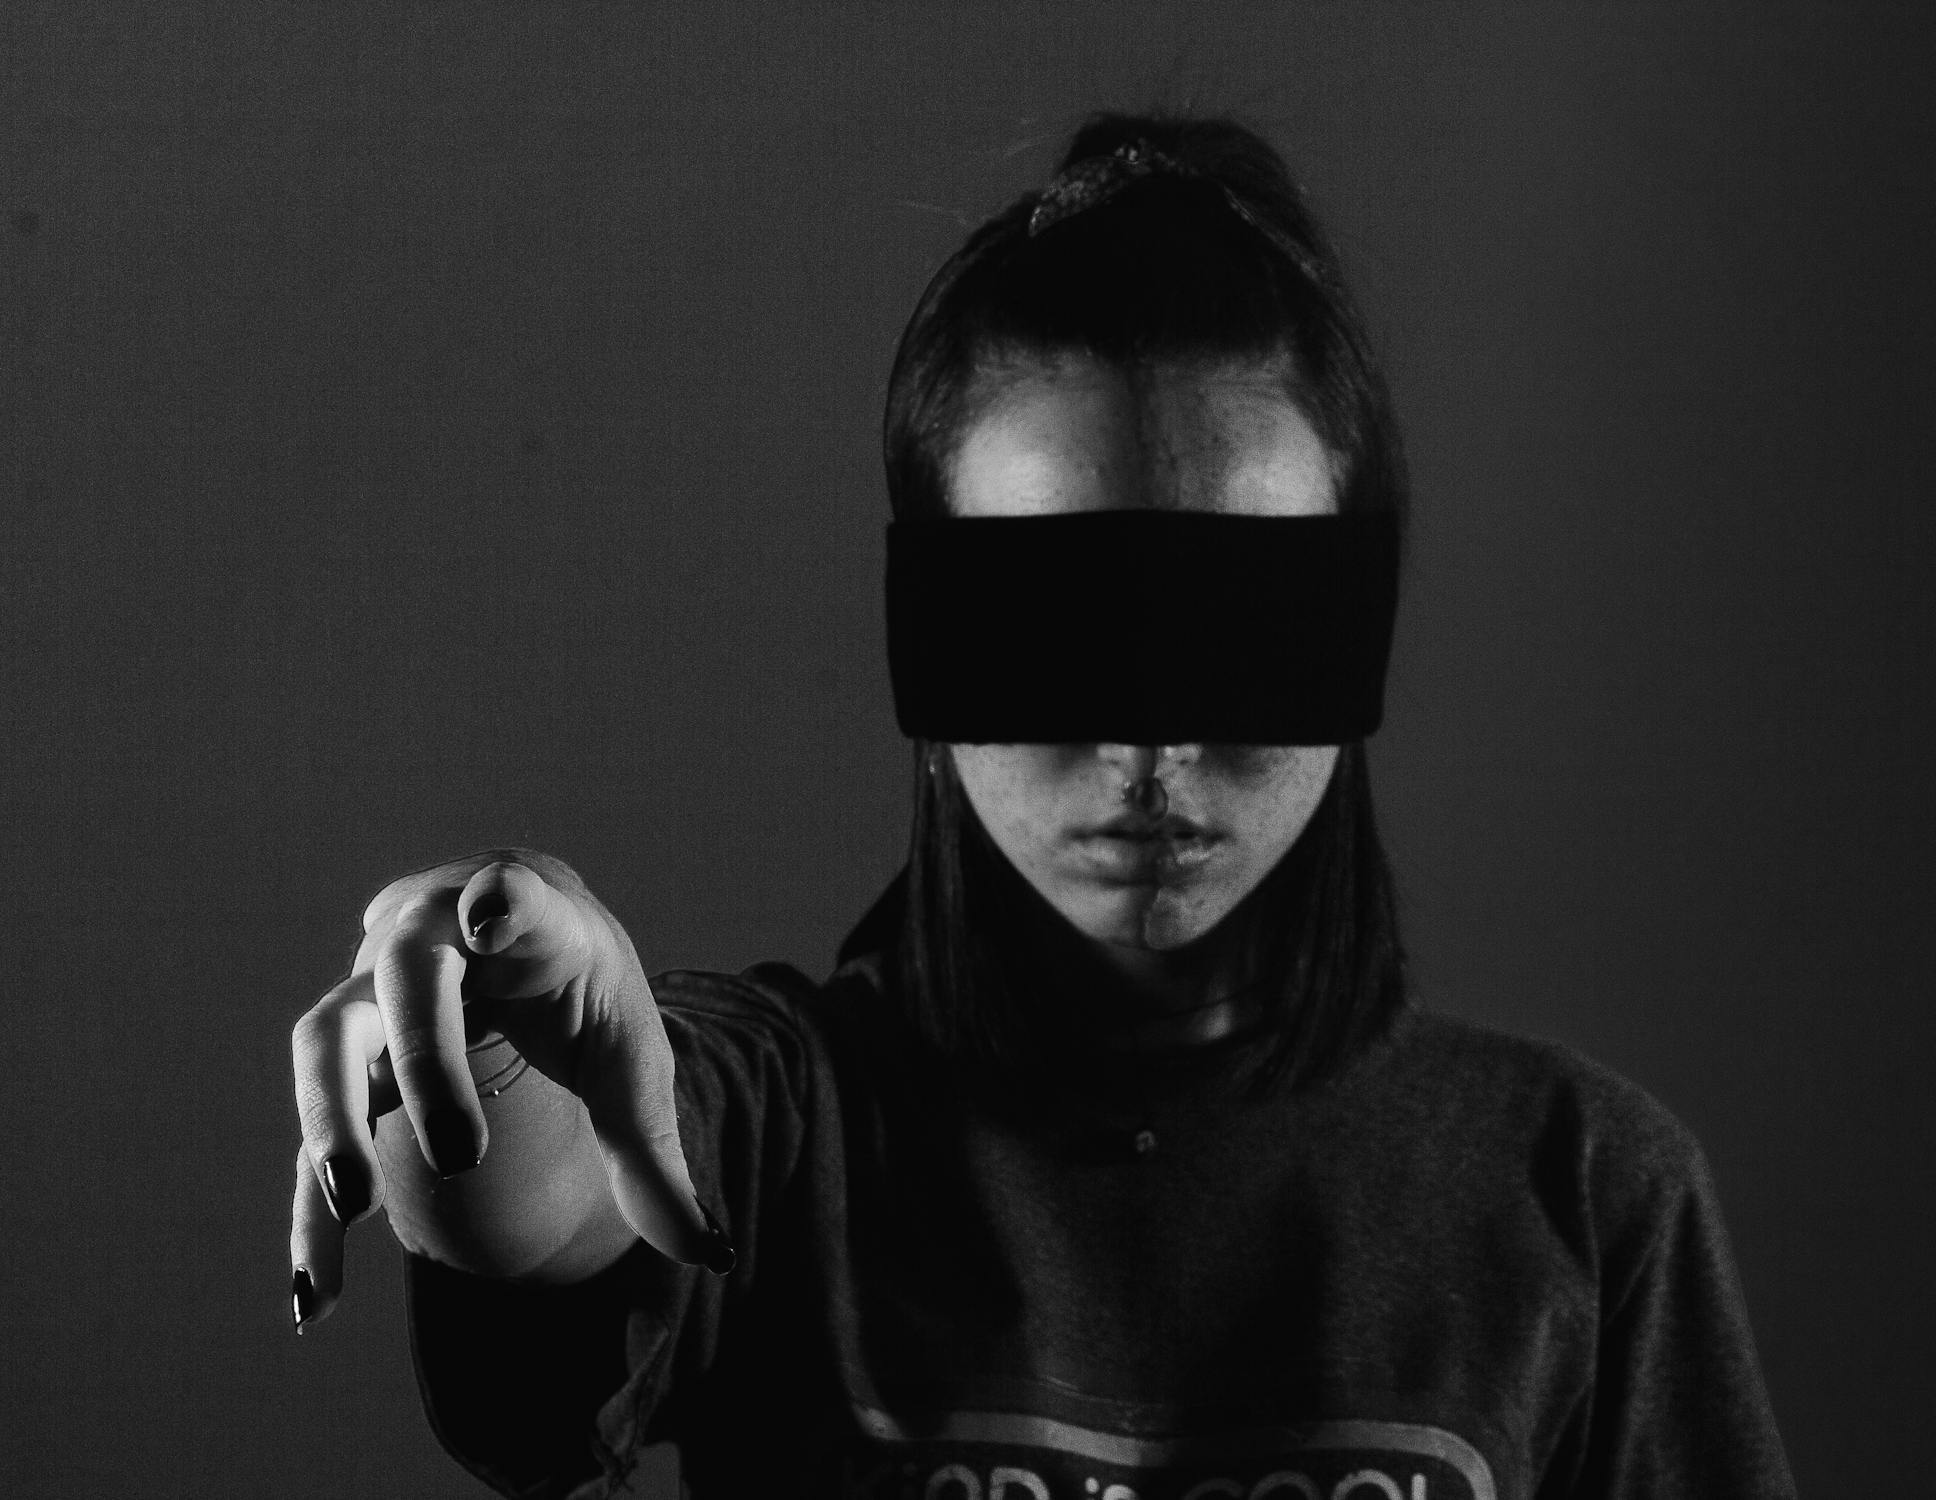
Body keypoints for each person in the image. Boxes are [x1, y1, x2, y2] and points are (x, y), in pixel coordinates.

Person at [287, 113, 1796, 1500]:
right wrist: (481, 1044)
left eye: (1245, 627)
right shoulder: (792, 1128)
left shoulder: (1581, 1194)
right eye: (1047, 628)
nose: (1151, 738)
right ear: (926, 645)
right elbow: (562, 1194)